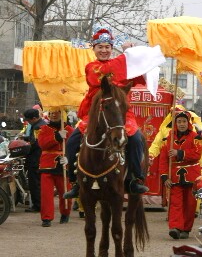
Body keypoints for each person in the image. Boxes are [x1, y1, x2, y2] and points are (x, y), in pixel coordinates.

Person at [63, 24, 164, 198]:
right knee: (72, 141)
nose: (104, 50)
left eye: (107, 47)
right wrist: (126, 56)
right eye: (100, 47)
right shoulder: (92, 67)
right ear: (94, 49)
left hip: (121, 112)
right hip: (96, 111)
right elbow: (104, 74)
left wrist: (138, 60)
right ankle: (74, 181)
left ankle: (134, 178)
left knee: (136, 138)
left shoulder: (121, 65)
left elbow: (138, 74)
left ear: (112, 48)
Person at [159, 111, 202, 240]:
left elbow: (197, 154)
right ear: (175, 124)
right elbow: (163, 160)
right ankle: (176, 228)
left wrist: (179, 153)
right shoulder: (167, 139)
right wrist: (164, 176)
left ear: (188, 123)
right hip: (174, 176)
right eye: (179, 122)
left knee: (190, 204)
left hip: (191, 175)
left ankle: (186, 229)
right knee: (175, 203)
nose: (181, 124)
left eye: (184, 121)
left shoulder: (196, 137)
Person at [38, 109, 74, 227]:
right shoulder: (44, 129)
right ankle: (46, 218)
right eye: (51, 113)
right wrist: (57, 136)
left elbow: (75, 147)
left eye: (57, 112)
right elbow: (43, 144)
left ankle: (65, 213)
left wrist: (69, 158)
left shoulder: (70, 130)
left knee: (65, 191)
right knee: (46, 194)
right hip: (47, 165)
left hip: (63, 164)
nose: (53, 114)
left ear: (63, 114)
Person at [23, 108, 47, 212]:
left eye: (28, 120)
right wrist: (26, 138)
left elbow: (36, 143)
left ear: (34, 118)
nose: (28, 122)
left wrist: (25, 146)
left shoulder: (38, 127)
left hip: (36, 158)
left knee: (35, 183)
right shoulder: (41, 124)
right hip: (39, 158)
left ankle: (37, 205)